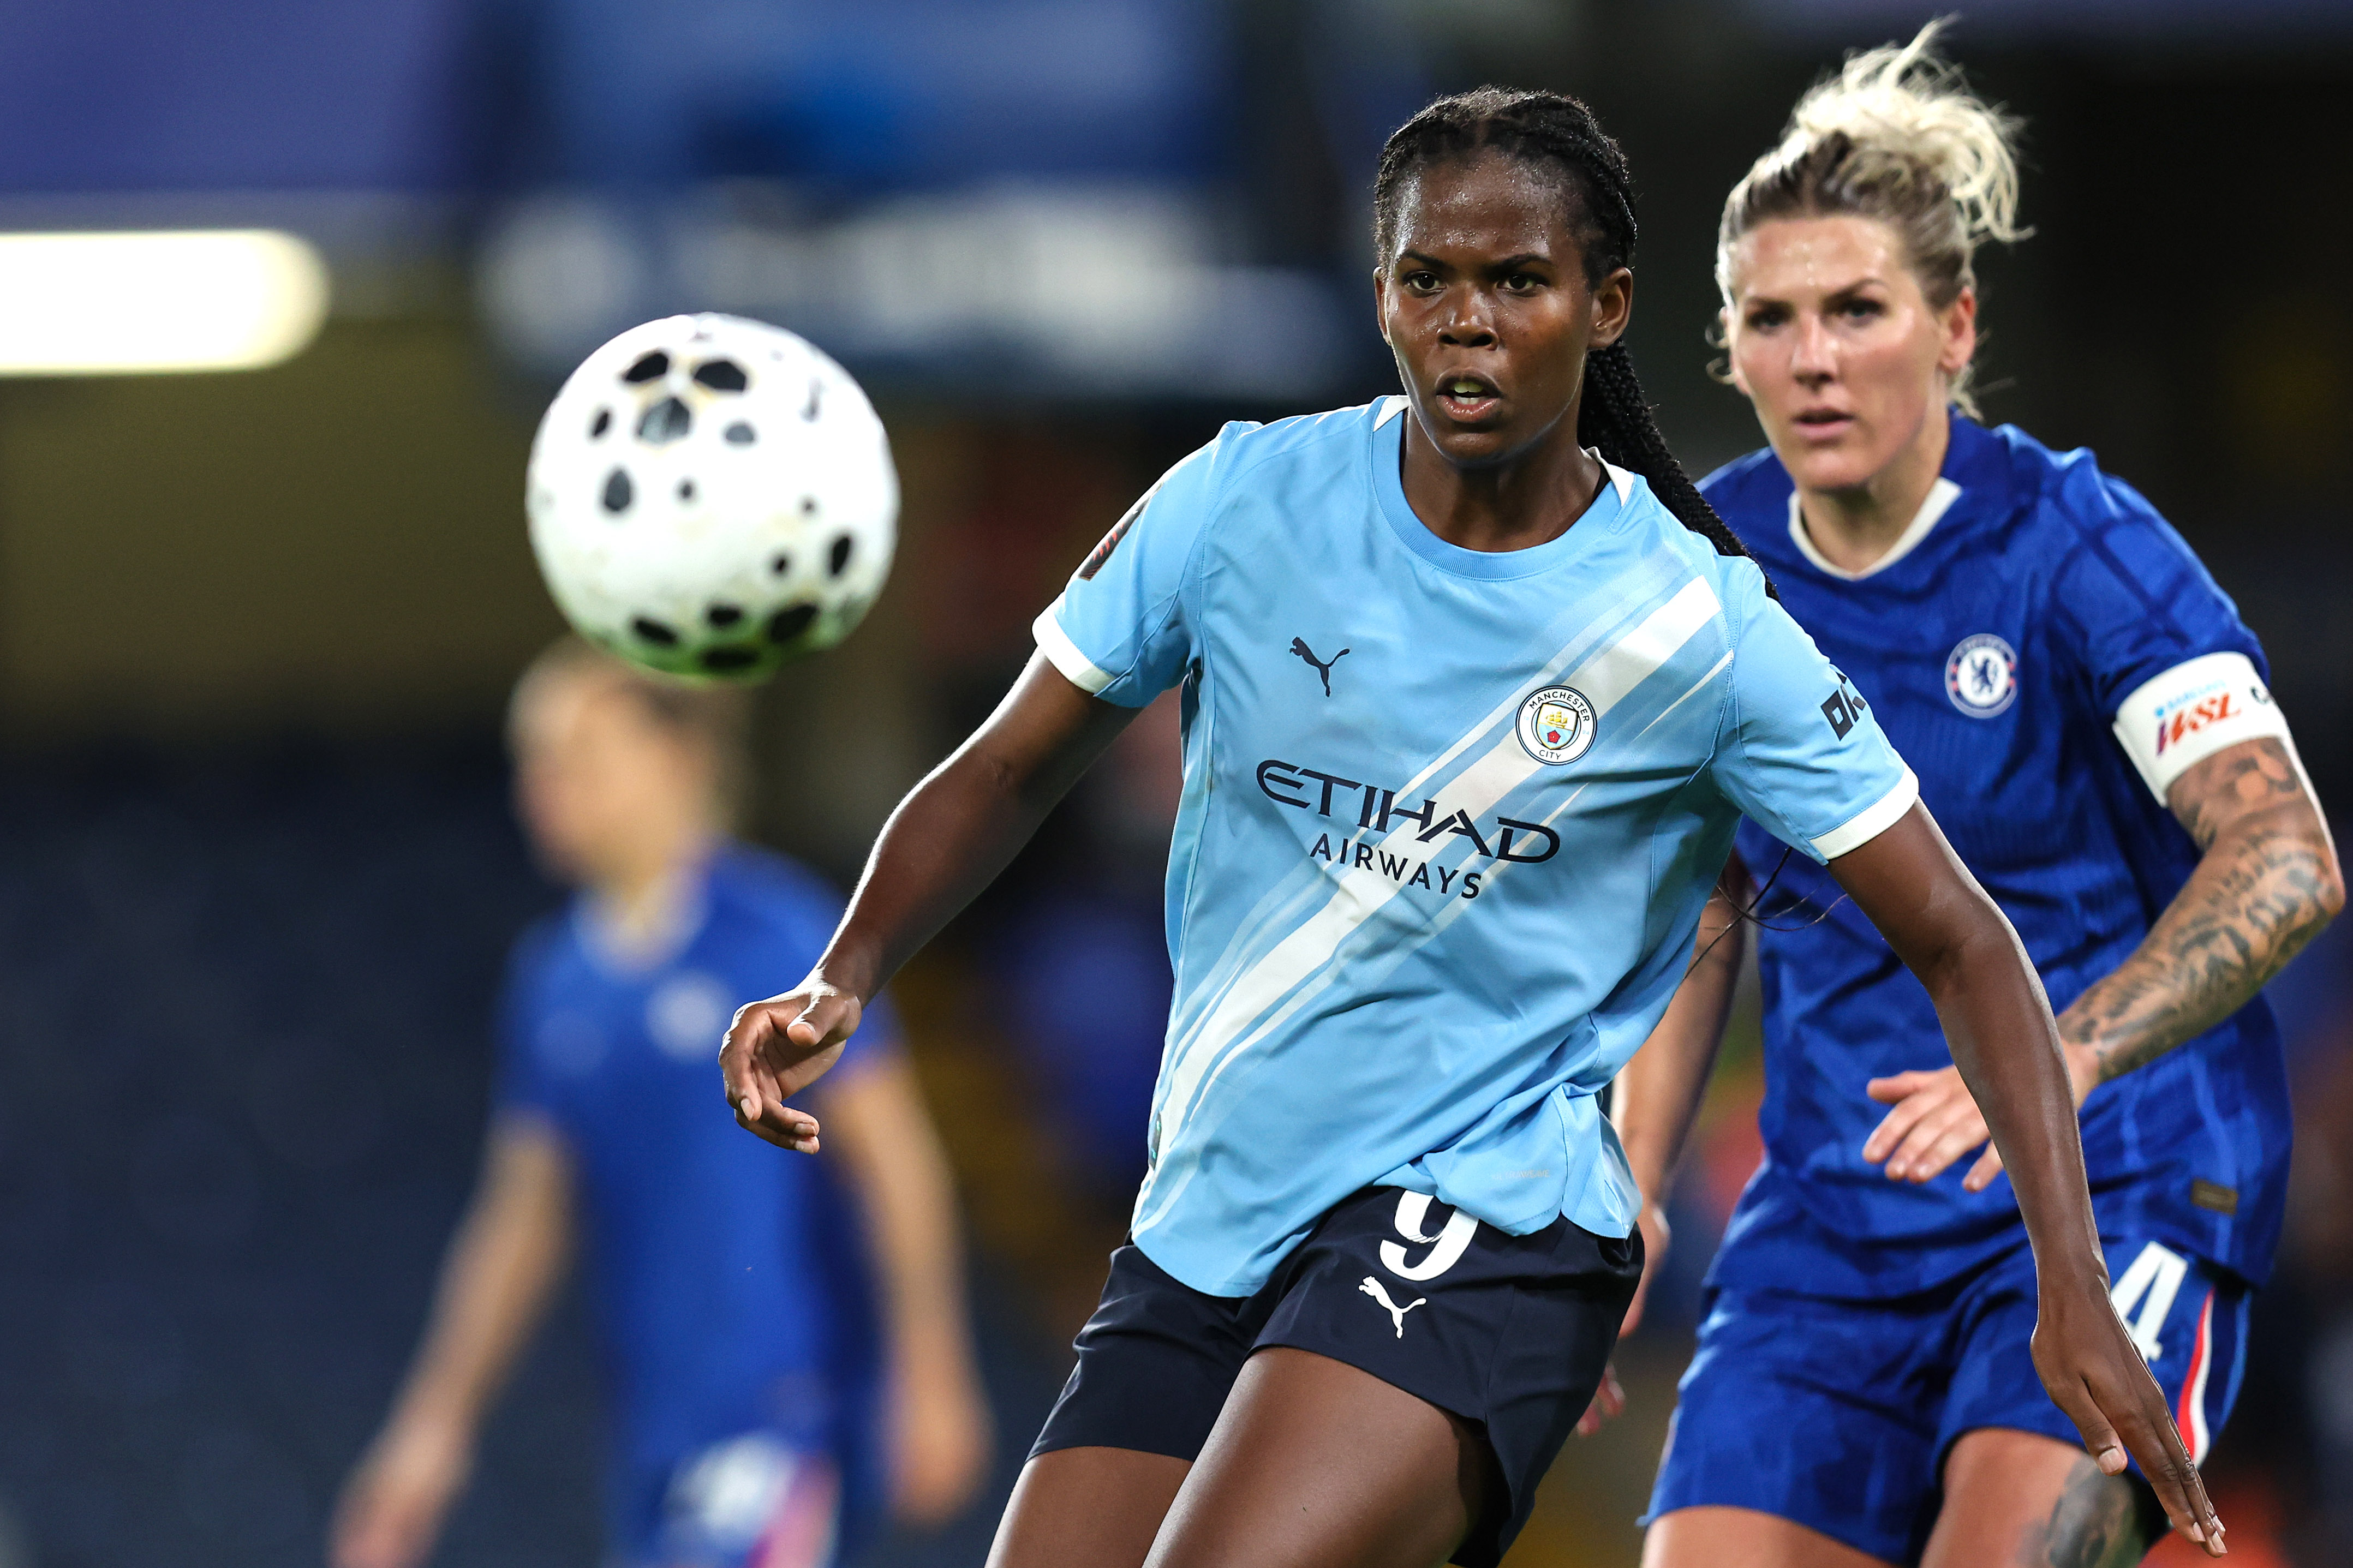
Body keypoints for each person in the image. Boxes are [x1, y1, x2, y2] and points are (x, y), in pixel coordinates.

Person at [722, 88, 2222, 1568]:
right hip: (1218, 1213)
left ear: (1606, 303)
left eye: (1518, 280)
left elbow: (1963, 939)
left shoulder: (1695, 628)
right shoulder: (1243, 502)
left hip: (1489, 1232)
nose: (1470, 319)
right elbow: (1004, 769)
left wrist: (2069, 1277)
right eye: (1430, 278)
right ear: (1381, 295)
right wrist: (845, 967)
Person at [1623, 25, 2344, 1568]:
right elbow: (1703, 893)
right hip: (1835, 1225)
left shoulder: (2078, 550)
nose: (1815, 356)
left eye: (1859, 310)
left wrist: (2056, 1060)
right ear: (1731, 349)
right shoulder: (1706, 574)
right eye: (1774, 319)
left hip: (2121, 1182)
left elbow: (2285, 855)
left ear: (1954, 327)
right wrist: (1631, 1177)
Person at [331, 639, 991, 1568]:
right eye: (535, 762)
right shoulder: (555, 981)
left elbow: (895, 1159)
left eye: (579, 757)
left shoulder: (784, 937)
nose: (545, 787)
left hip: (783, 1419)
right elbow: (524, 1216)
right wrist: (433, 1426)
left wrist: (932, 1369)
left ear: (679, 759)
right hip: (653, 1436)